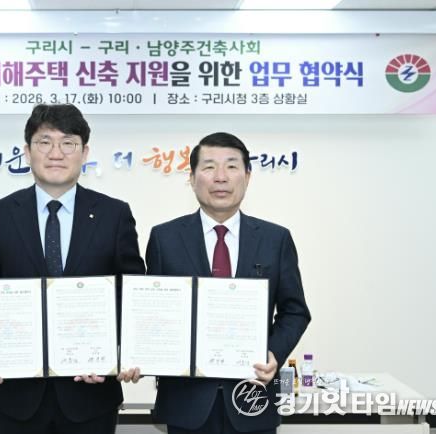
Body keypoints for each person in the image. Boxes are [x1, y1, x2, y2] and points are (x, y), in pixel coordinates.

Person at [0, 103, 145, 434]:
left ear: (84, 152)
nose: (56, 153)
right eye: (44, 142)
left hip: (91, 394)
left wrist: (115, 354)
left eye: (68, 143)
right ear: (27, 151)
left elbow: (131, 296)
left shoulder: (114, 214)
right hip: (20, 396)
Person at [122, 132, 311, 434]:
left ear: (247, 176)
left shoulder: (275, 239)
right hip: (186, 404)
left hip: (253, 398)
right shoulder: (165, 238)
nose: (220, 177)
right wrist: (138, 355)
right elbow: (151, 313)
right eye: (209, 167)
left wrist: (273, 354)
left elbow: (295, 311)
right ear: (191, 178)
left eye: (232, 166)